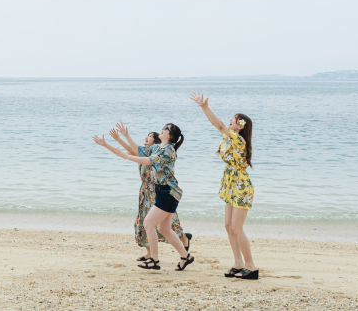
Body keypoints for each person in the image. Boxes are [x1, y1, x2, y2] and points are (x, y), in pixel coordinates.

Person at [93, 123, 194, 271]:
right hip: (162, 192)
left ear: (170, 135)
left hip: (168, 192)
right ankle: (186, 256)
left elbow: (148, 161)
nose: (163, 128)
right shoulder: (157, 147)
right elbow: (139, 151)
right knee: (164, 229)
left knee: (148, 223)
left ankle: (154, 260)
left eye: (166, 128)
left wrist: (127, 157)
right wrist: (126, 136)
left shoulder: (168, 150)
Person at [190, 91, 258, 280]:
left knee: (237, 227)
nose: (230, 120)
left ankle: (251, 266)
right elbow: (221, 127)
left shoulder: (238, 139)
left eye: (234, 119)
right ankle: (238, 263)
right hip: (231, 183)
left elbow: (218, 125)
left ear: (240, 126)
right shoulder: (231, 137)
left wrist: (204, 107)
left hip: (241, 185)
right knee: (228, 226)